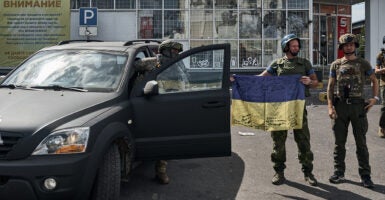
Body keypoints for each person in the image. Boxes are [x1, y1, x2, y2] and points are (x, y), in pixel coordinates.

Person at [259, 34, 319, 186]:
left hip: (298, 107)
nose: (296, 48)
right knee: (278, 141)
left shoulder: (304, 63)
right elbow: (261, 78)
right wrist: (239, 79)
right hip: (279, 108)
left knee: (303, 140)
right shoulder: (277, 64)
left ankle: (308, 172)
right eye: (293, 46)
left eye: (297, 46)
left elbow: (317, 83)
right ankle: (279, 172)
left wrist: (309, 81)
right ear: (286, 47)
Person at [327, 33, 378, 188]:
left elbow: (374, 80)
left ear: (355, 46)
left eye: (351, 45)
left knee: (361, 143)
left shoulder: (363, 63)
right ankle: (338, 172)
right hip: (340, 106)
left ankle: (365, 175)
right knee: (339, 143)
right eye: (345, 45)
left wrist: (375, 98)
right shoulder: (335, 65)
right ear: (342, 48)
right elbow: (330, 87)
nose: (349, 47)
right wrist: (330, 106)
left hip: (358, 107)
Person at [134, 40, 184, 184]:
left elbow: (185, 81)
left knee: (166, 138)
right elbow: (132, 67)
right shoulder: (151, 63)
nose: (176, 54)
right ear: (165, 51)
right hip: (149, 103)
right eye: (173, 51)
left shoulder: (178, 65)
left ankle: (160, 170)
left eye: (177, 52)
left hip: (169, 105)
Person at [374, 48, 385, 138]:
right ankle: (382, 128)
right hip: (384, 83)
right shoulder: (381, 55)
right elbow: (376, 70)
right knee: (384, 107)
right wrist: (383, 70)